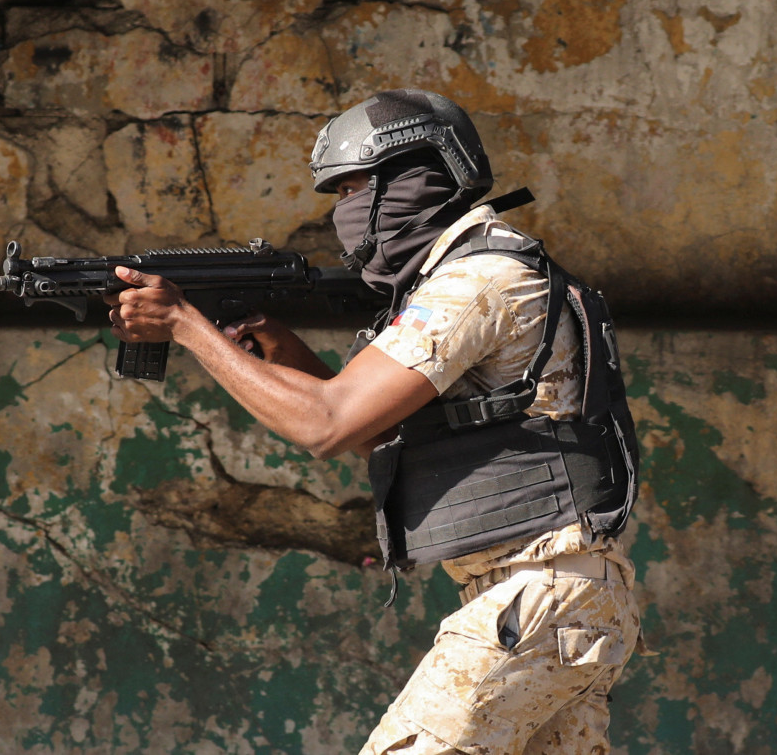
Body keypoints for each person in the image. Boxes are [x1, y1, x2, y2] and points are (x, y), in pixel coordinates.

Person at [105, 89, 643, 754]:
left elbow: (325, 424)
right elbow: (362, 426)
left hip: (538, 596)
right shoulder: (474, 272)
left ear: (415, 176)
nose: (344, 211)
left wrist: (184, 326)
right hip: (564, 601)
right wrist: (276, 347)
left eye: (355, 187)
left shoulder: (479, 281)